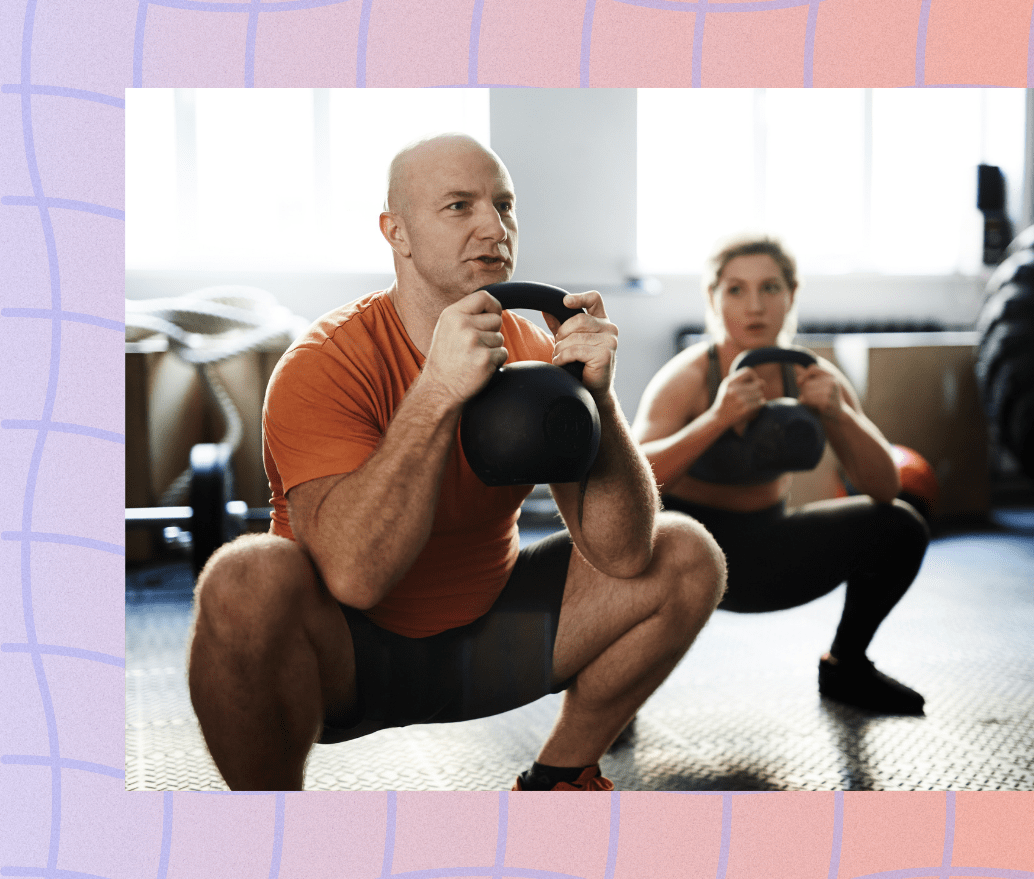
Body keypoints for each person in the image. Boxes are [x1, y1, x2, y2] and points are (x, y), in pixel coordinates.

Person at [186, 133, 726, 792]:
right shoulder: (325, 362)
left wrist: (599, 403)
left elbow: (623, 554)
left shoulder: (534, 349)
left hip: (492, 650)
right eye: (459, 206)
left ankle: (560, 775)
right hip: (348, 664)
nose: (493, 227)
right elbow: (355, 578)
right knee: (245, 576)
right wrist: (437, 390)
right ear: (398, 233)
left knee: (686, 553)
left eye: (504, 206)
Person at [631, 236, 929, 714]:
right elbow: (631, 482)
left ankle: (845, 666)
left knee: (901, 525)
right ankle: (613, 690)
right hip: (681, 558)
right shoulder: (686, 378)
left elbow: (884, 487)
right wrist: (717, 418)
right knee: (612, 535)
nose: (754, 306)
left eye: (770, 288)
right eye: (735, 290)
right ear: (713, 298)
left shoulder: (813, 376)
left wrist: (840, 415)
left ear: (791, 295)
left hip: (764, 553)